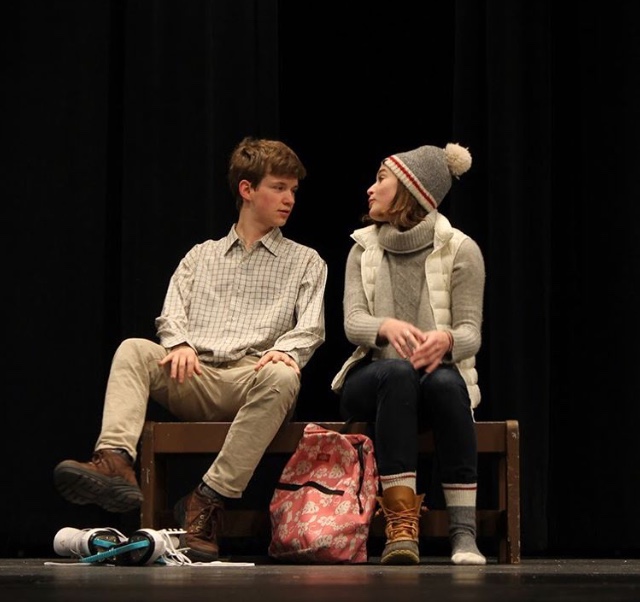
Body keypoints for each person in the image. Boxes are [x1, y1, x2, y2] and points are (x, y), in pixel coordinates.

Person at [54, 136, 328, 562]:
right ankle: (114, 461)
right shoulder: (201, 257)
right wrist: (178, 342)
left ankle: (206, 500)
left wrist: (288, 351)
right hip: (196, 376)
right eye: (279, 187)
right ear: (247, 190)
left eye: (294, 189)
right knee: (133, 349)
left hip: (254, 380)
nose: (289, 198)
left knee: (282, 374)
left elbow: (310, 327)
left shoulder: (306, 260)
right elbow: (171, 315)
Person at [331, 141, 486, 566]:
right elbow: (352, 322)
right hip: (373, 379)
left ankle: (464, 533)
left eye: (381, 179)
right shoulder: (362, 249)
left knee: (444, 382)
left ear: (411, 192)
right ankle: (402, 526)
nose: (370, 188)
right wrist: (385, 326)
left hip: (434, 377)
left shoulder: (460, 249)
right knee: (398, 372)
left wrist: (448, 341)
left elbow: (472, 332)